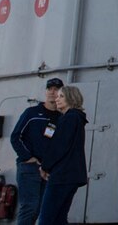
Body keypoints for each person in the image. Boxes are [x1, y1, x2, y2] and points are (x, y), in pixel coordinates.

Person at [9, 77, 64, 225]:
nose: (53, 92)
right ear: (46, 92)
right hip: (29, 167)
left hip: (47, 170)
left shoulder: (61, 118)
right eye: (50, 89)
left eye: (57, 89)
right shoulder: (32, 113)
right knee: (29, 207)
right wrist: (28, 157)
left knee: (40, 209)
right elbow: (15, 136)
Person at [36, 85, 88, 225]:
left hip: (62, 175)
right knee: (59, 218)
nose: (56, 99)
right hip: (72, 175)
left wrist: (45, 166)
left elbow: (59, 146)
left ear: (71, 98)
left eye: (61, 96)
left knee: (46, 218)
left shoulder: (69, 119)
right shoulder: (77, 118)